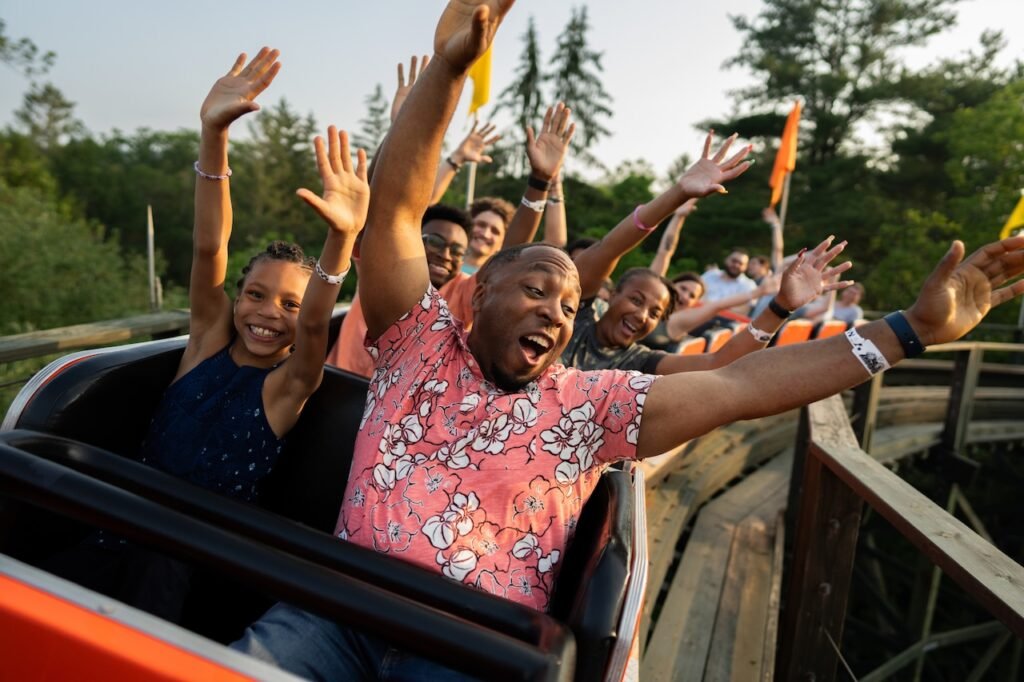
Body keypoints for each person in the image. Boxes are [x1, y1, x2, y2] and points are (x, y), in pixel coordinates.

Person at [231, 2, 1024, 679]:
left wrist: (907, 332)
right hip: (337, 611)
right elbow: (398, 209)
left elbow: (741, 385)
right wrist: (447, 70)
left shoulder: (590, 406)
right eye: (537, 289)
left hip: (468, 644)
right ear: (481, 292)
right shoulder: (419, 341)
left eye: (570, 303)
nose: (557, 311)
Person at [45, 49, 371, 622]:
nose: (268, 313)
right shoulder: (204, 346)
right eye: (256, 295)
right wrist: (213, 134)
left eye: (289, 304)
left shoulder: (288, 386)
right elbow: (208, 247)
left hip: (193, 555)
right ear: (236, 299)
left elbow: (318, 322)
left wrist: (341, 240)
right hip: (119, 520)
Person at [327, 204, 472, 377]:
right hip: (334, 382)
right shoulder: (383, 265)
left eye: (456, 251)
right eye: (435, 242)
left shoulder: (464, 292)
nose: (446, 255)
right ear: (414, 240)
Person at [702, 248, 758, 313]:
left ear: (745, 267)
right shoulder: (711, 274)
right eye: (734, 261)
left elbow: (743, 311)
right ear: (726, 259)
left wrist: (712, 306)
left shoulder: (749, 285)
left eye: (740, 263)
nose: (736, 265)